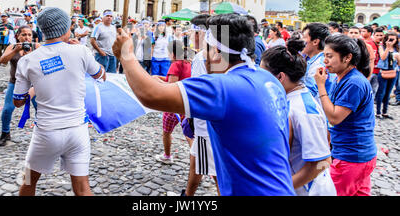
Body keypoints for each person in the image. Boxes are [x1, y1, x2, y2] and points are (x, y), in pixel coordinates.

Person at [112, 13, 295, 196]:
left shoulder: (223, 86)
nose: (202, 55)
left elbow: (150, 95)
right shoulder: (268, 79)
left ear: (216, 52)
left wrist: (126, 54)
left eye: (206, 49)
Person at [13, 7, 105, 196]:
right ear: (65, 29)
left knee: (28, 182)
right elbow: (101, 76)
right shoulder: (80, 51)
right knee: (82, 188)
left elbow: (18, 102)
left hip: (46, 133)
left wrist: (38, 86)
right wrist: (77, 51)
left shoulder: (28, 60)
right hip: (77, 131)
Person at [260, 40, 336, 196]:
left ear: (280, 77)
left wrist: (281, 188)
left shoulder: (303, 109)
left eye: (263, 74)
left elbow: (321, 162)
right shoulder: (287, 99)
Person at [314, 34, 377, 196]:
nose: (325, 61)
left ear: (347, 57)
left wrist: (321, 86)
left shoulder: (354, 82)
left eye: (330, 56)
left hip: (352, 157)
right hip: (358, 155)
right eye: (324, 56)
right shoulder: (341, 78)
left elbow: (334, 118)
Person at [182, 14, 220, 197]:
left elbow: (197, 94)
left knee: (215, 173)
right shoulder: (221, 54)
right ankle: (188, 195)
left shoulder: (201, 58)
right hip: (212, 122)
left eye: (192, 33)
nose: (190, 37)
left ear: (200, 33)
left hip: (206, 124)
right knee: (197, 162)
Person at [0, 26, 40, 146]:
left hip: (35, 85)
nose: (27, 37)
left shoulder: (37, 47)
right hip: (15, 83)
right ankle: (5, 134)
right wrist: (15, 51)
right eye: (24, 34)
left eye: (29, 35)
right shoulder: (12, 47)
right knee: (7, 109)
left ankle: (42, 135)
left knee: (41, 110)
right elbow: (2, 61)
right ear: (17, 36)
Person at [155, 39, 194, 164]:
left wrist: (156, 82)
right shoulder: (187, 63)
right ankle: (198, 157)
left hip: (173, 105)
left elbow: (171, 86)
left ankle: (167, 156)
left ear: (172, 52)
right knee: (189, 133)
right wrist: (158, 78)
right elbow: (176, 80)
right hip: (185, 103)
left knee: (167, 132)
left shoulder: (175, 64)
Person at [301, 23, 335, 103]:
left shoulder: (320, 64)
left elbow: (309, 92)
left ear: (315, 41)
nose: (301, 41)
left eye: (304, 37)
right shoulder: (310, 59)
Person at [375, 32, 399, 119]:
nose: (391, 41)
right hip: (383, 72)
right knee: (381, 92)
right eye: (390, 39)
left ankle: (385, 111)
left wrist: (397, 57)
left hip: (393, 72)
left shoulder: (397, 48)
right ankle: (378, 112)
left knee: (388, 93)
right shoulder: (382, 47)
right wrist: (388, 48)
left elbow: (399, 63)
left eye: (393, 39)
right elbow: (383, 57)